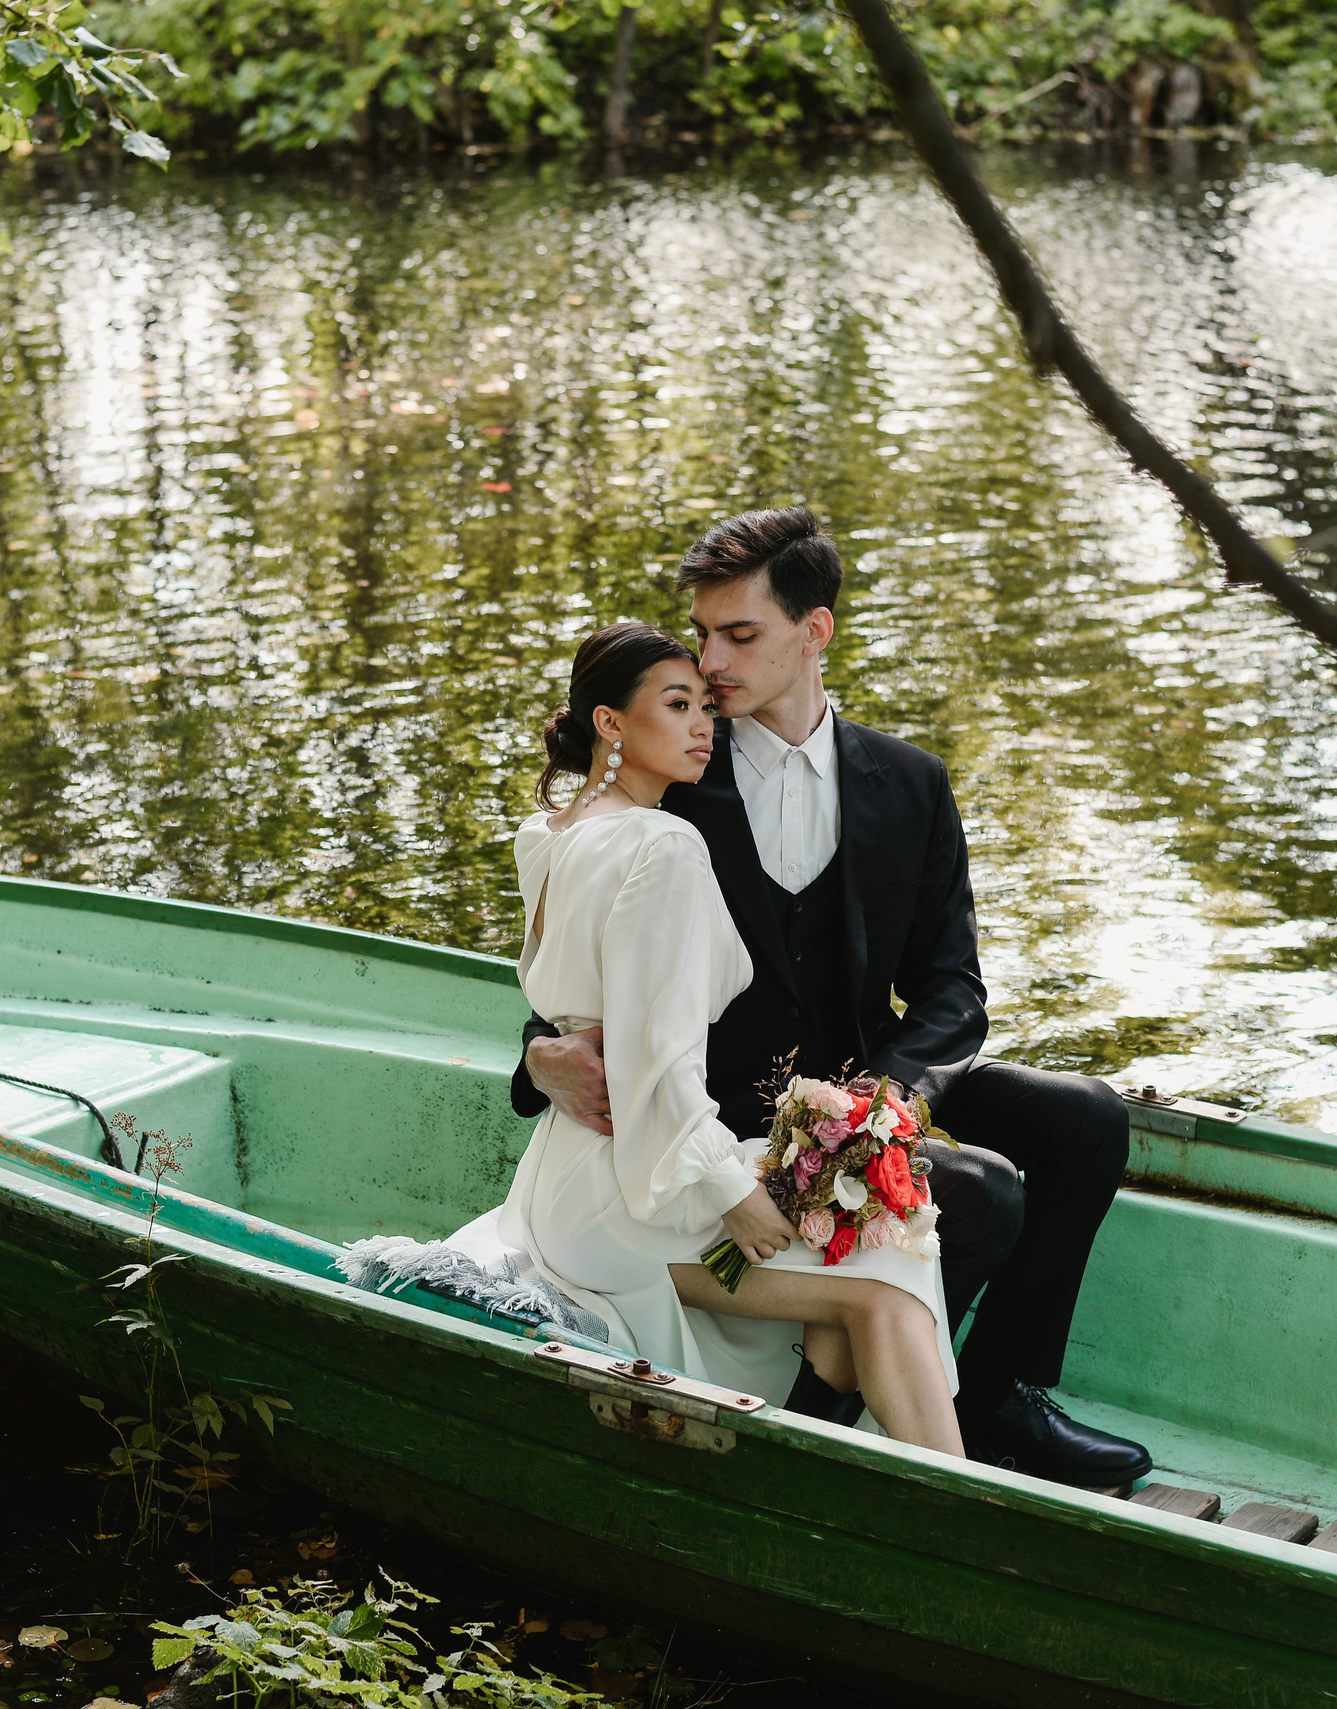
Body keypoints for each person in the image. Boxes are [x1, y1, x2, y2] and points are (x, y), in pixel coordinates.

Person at [512, 509, 1151, 1490]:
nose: (710, 661)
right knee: (982, 1191)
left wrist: (887, 1105)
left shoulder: (908, 781)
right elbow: (593, 958)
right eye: (703, 633)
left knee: (1084, 1120)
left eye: (740, 634)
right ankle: (835, 1413)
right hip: (730, 1108)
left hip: (869, 1071)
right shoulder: (671, 775)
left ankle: (993, 1393)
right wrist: (536, 1054)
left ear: (815, 631)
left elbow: (951, 984)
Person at [450, 621, 964, 1455]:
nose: (704, 726)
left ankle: (843, 1414)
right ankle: (966, 1510)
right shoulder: (665, 845)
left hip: (566, 1178)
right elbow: (659, 1070)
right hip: (630, 1195)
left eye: (705, 707)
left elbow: (592, 1021)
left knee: (870, 1251)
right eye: (678, 704)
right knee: (892, 1270)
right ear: (611, 722)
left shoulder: (548, 834)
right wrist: (736, 1192)